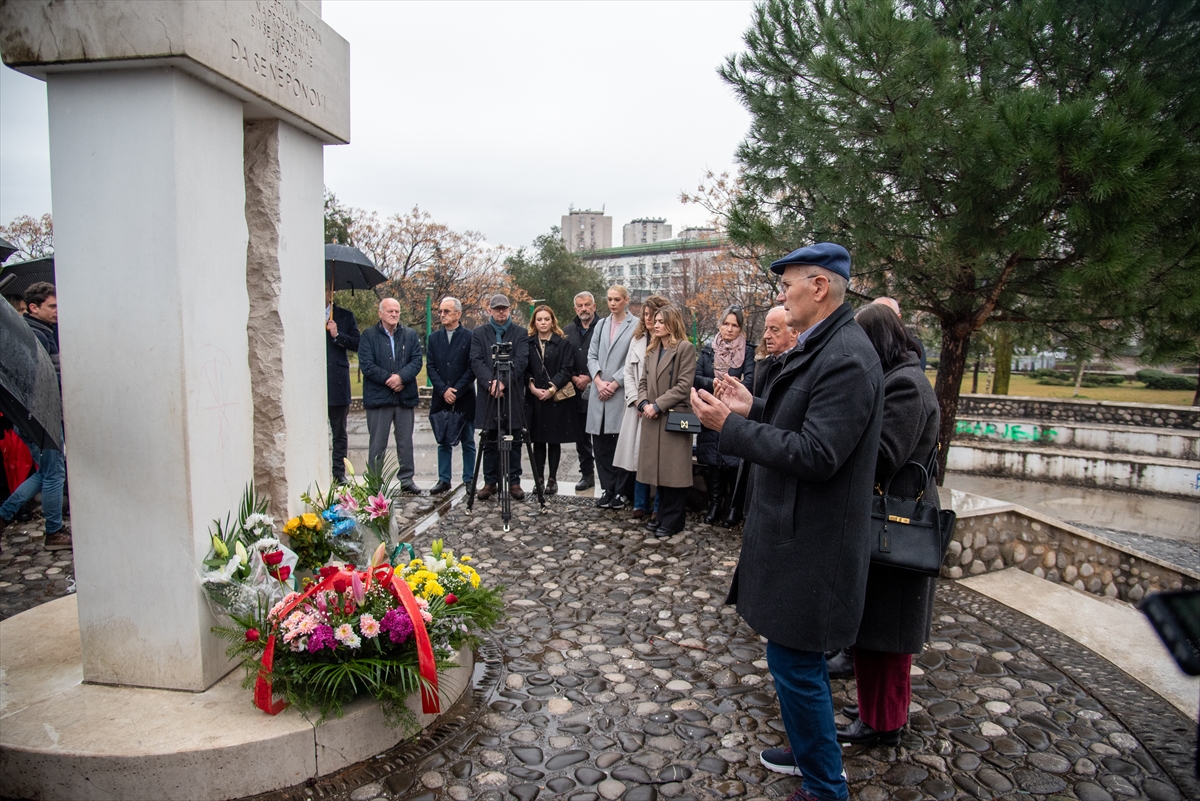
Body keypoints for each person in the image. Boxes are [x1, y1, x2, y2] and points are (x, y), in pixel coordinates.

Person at [691, 242, 883, 801]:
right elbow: (799, 422)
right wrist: (754, 410)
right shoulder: (824, 347)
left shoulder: (846, 355)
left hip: (814, 543)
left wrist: (731, 427)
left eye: (787, 284)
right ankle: (805, 750)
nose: (780, 294)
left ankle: (825, 785)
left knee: (796, 662)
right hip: (793, 533)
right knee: (791, 658)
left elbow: (819, 453)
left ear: (819, 287)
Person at [836, 302, 941, 746]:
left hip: (898, 525)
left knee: (889, 634)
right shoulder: (897, 379)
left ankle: (884, 723)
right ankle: (873, 708)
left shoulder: (907, 386)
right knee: (874, 629)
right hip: (887, 520)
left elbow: (884, 455)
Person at [0, 282, 69, 549]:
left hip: (38, 415)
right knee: (54, 473)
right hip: (40, 415)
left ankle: (4, 515)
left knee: (46, 472)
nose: (56, 311)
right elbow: (39, 381)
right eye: (52, 306)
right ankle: (54, 532)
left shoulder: (43, 332)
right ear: (33, 307)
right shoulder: (34, 335)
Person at [722, 305, 798, 528]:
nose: (766, 336)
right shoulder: (763, 365)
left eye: (774, 330)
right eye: (766, 329)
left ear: (793, 332)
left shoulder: (797, 367)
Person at [636, 305, 698, 538]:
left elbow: (684, 385)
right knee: (658, 471)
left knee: (674, 471)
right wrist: (643, 404)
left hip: (673, 417)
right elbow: (643, 382)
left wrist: (657, 405)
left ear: (672, 323)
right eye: (655, 320)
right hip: (652, 418)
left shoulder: (685, 348)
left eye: (661, 321)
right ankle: (661, 515)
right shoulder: (652, 350)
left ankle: (674, 519)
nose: (656, 324)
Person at [694, 306, 756, 524]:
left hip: (734, 413)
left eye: (735, 325)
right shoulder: (708, 350)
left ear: (740, 328)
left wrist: (730, 386)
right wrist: (714, 383)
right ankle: (714, 504)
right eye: (726, 324)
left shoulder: (747, 351)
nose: (730, 329)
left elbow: (749, 381)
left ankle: (733, 507)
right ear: (720, 325)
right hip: (711, 409)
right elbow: (697, 377)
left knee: (732, 461)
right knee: (713, 461)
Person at [358, 298, 424, 493]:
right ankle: (375, 482)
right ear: (380, 313)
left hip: (404, 396)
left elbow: (417, 361)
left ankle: (406, 479)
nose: (394, 314)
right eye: (390, 311)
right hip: (379, 398)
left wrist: (401, 378)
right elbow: (367, 365)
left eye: (397, 311)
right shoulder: (369, 335)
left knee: (405, 441)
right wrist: (390, 379)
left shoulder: (410, 335)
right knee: (377, 443)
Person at [613, 294, 669, 521]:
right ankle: (639, 503)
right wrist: (637, 401)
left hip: (658, 407)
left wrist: (653, 404)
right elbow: (628, 372)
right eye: (645, 315)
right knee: (637, 456)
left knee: (656, 457)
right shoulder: (636, 340)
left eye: (652, 315)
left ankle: (657, 505)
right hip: (637, 407)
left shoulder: (666, 341)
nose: (647, 319)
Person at [470, 294, 529, 500]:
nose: (501, 312)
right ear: (490, 311)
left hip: (512, 395)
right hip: (489, 395)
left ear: (509, 309)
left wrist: (503, 381)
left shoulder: (520, 333)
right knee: (490, 441)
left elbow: (521, 360)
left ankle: (514, 482)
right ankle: (490, 482)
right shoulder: (478, 333)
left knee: (514, 440)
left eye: (504, 308)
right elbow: (476, 361)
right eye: (497, 309)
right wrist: (491, 382)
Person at [586, 285, 637, 509]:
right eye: (609, 299)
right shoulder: (601, 324)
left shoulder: (635, 325)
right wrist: (597, 381)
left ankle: (621, 491)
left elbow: (632, 359)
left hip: (620, 391)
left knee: (621, 444)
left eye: (617, 299)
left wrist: (615, 383)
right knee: (601, 445)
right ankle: (607, 488)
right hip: (599, 392)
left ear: (626, 300)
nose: (612, 303)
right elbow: (592, 354)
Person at [523, 305, 580, 494]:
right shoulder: (528, 342)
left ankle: (552, 478)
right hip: (535, 397)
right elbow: (525, 368)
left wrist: (551, 388)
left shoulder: (562, 343)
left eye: (546, 319)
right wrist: (531, 387)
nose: (543, 323)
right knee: (538, 440)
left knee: (553, 440)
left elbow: (566, 368)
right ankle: (538, 477)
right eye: (539, 319)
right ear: (534, 322)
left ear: (552, 320)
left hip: (555, 399)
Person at [426, 296, 475, 495]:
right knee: (443, 440)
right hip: (441, 398)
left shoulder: (470, 336)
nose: (442, 315)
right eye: (440, 311)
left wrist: (456, 390)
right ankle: (444, 479)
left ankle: (469, 479)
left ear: (458, 314)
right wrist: (443, 390)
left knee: (468, 440)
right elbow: (430, 366)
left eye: (447, 311)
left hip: (463, 397)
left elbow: (472, 367)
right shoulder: (433, 338)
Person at [325, 283, 360, 484]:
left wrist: (337, 335)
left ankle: (339, 474)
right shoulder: (306, 312)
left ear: (331, 291)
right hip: (313, 382)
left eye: (327, 288)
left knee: (339, 431)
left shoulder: (345, 315)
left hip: (337, 382)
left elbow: (357, 343)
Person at [562, 291, 597, 491]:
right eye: (580, 306)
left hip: (599, 388)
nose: (584, 309)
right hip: (576, 391)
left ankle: (610, 481)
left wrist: (591, 377)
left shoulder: (602, 327)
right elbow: (564, 359)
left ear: (594, 306)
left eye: (587, 305)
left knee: (602, 439)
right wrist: (575, 377)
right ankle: (587, 474)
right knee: (581, 438)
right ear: (575, 309)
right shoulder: (568, 331)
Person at [872, 296, 926, 370]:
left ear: (898, 318)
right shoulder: (863, 340)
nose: (880, 321)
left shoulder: (911, 344)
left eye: (887, 315)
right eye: (875, 315)